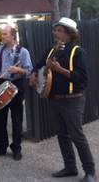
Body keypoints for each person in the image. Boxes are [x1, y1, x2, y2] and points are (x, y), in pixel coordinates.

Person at [30, 18, 96, 182]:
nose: (55, 33)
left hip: (73, 100)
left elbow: (82, 79)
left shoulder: (77, 52)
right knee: (62, 135)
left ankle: (90, 172)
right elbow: (38, 65)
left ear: (69, 33)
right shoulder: (51, 51)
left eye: (59, 30)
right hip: (54, 99)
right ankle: (70, 167)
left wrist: (59, 69)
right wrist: (33, 75)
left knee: (77, 136)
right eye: (55, 30)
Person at [0, 25, 32, 160]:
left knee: (16, 119)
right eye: (2, 34)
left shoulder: (23, 52)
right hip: (1, 84)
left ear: (13, 36)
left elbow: (29, 71)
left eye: (5, 34)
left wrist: (18, 70)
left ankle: (16, 148)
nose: (2, 36)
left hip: (16, 86)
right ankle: (0, 147)